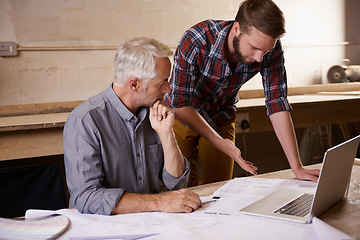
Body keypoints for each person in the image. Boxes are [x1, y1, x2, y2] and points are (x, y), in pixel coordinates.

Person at [164, 0, 320, 187]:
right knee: (182, 187)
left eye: (266, 50)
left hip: (221, 116)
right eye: (254, 47)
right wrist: (218, 141)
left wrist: (297, 167)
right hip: (182, 117)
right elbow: (180, 103)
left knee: (221, 189)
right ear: (237, 29)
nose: (259, 58)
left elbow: (277, 102)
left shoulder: (269, 50)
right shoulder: (196, 40)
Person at [63, 37, 201, 215]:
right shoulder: (84, 121)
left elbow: (177, 182)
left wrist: (167, 134)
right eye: (162, 83)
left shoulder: (154, 112)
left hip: (150, 221)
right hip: (103, 226)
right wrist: (159, 201)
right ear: (134, 84)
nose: (168, 89)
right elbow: (87, 197)